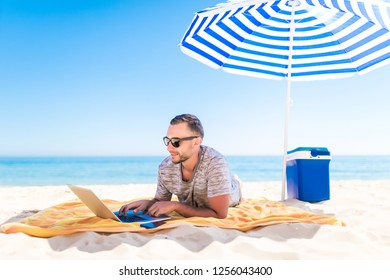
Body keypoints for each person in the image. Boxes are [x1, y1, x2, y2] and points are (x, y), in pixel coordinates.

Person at [119, 114, 242, 219]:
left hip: (232, 194)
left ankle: (236, 182)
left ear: (196, 142)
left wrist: (176, 206)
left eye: (176, 142)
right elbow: (160, 201)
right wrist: (148, 203)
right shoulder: (165, 168)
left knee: (233, 188)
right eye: (168, 140)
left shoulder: (215, 163)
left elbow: (219, 214)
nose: (169, 148)